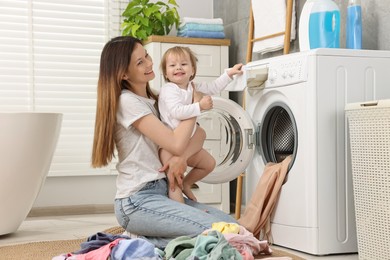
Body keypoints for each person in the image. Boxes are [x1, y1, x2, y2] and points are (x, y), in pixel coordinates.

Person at [91, 36, 237, 249]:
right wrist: (196, 105)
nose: (150, 63)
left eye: (147, 56)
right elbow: (177, 143)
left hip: (162, 191)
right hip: (137, 200)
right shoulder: (127, 102)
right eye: (140, 62)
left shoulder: (156, 100)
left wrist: (181, 159)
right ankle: (136, 239)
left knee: (232, 227)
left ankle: (146, 238)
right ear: (123, 73)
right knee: (220, 235)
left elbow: (199, 135)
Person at [158, 46, 243, 203]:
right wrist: (199, 106)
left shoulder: (193, 86)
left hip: (188, 142)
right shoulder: (169, 90)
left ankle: (188, 183)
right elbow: (177, 111)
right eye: (172, 65)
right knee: (174, 180)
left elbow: (213, 87)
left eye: (183, 64)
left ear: (192, 70)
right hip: (170, 144)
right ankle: (180, 213)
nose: (178, 67)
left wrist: (228, 74)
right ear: (165, 73)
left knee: (209, 164)